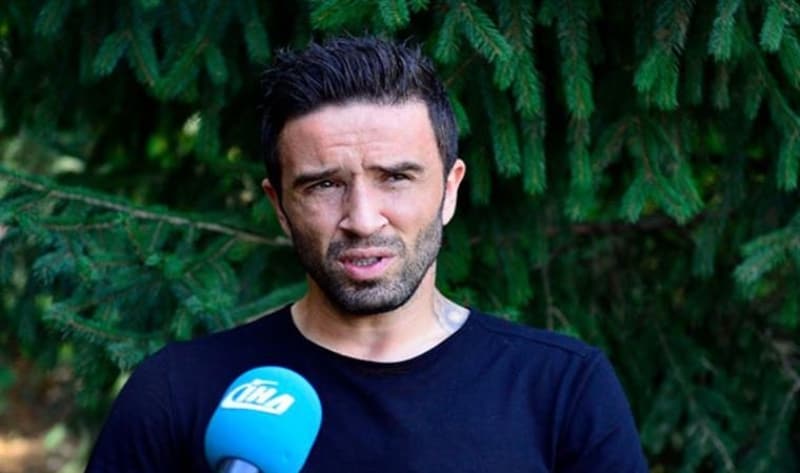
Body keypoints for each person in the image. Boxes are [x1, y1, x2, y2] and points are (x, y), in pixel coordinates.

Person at [85, 36, 648, 472]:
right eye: (324, 185)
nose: (362, 218)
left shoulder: (561, 389)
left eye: (395, 178)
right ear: (280, 206)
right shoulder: (179, 393)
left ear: (450, 190)